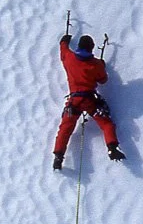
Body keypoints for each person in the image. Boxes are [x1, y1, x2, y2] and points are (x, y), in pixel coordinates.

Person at [53, 33, 126, 169]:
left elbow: (63, 52)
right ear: (91, 49)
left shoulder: (69, 58)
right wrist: (101, 66)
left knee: (65, 128)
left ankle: (58, 156)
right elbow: (103, 80)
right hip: (90, 100)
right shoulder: (95, 64)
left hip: (73, 101)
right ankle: (112, 147)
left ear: (79, 46)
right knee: (106, 123)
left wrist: (64, 41)